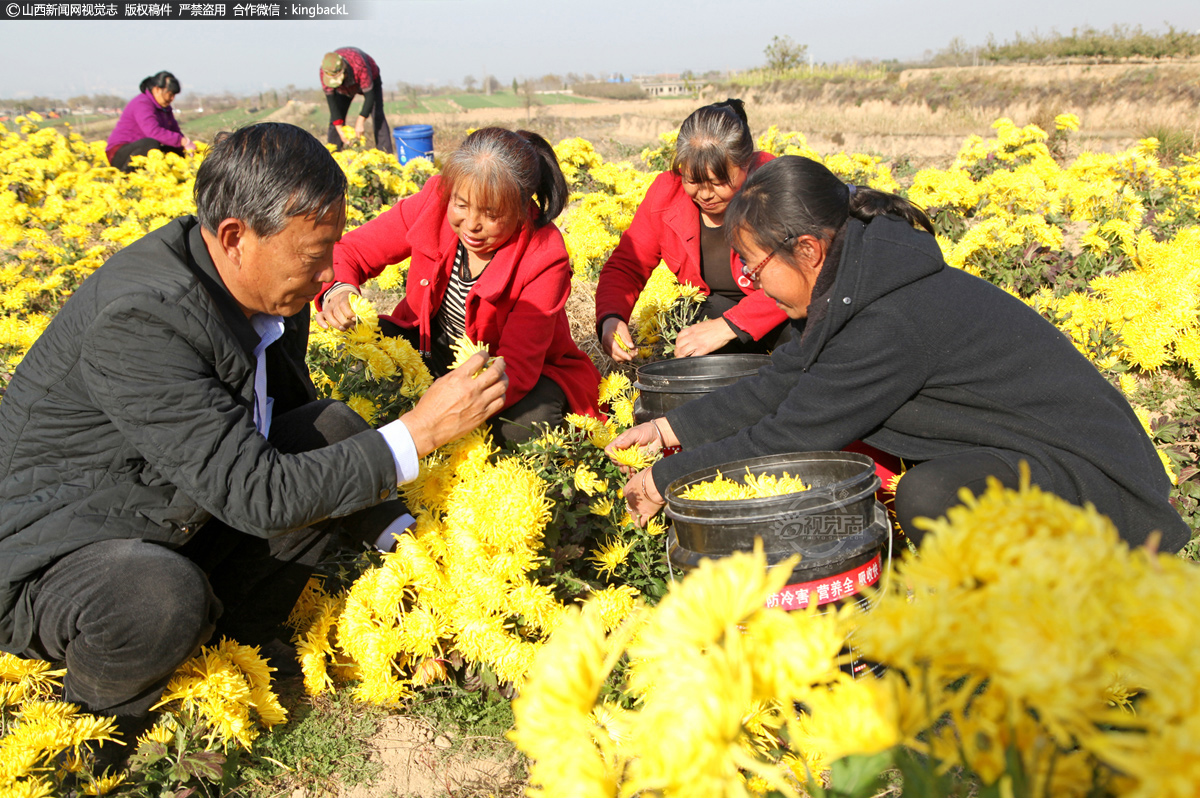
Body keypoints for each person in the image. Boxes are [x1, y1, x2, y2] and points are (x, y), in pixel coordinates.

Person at [0, 123, 506, 736]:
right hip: (55, 557)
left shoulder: (265, 290)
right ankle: (100, 721)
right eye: (314, 255)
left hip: (165, 511)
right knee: (158, 599)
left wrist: (415, 543)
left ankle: (230, 649)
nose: (328, 276)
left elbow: (295, 435)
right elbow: (260, 494)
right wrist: (419, 431)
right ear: (236, 237)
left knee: (334, 430)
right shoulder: (142, 319)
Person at [610, 154, 1190, 553]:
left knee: (933, 497)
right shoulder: (860, 277)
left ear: (808, 250)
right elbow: (787, 376)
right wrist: (670, 428)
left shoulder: (887, 319)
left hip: (1100, 486)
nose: (753, 286)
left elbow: (792, 431)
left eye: (756, 269)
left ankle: (1036, 617)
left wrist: (670, 477)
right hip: (1039, 453)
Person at [315, 126, 603, 446]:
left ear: (522, 209)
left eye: (490, 214)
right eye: (461, 205)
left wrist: (439, 414)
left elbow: (518, 368)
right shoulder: (434, 201)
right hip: (430, 346)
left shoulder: (545, 253)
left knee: (520, 428)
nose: (471, 225)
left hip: (504, 371)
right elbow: (352, 251)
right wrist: (339, 290)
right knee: (360, 364)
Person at [594, 99, 789, 362]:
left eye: (719, 182)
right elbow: (628, 265)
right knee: (684, 324)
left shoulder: (774, 184)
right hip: (716, 314)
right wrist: (611, 317)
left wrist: (729, 326)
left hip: (784, 314)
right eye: (693, 180)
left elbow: (798, 275)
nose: (706, 195)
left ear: (745, 165)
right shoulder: (667, 194)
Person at [105, 71, 195, 172]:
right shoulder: (142, 103)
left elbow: (175, 132)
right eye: (169, 94)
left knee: (175, 150)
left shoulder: (165, 108)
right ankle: (125, 175)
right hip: (121, 153)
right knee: (151, 144)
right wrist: (181, 140)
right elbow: (153, 132)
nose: (172, 98)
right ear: (157, 90)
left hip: (143, 149)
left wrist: (186, 146)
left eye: (174, 95)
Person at [320, 48, 394, 155]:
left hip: (370, 80)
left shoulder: (359, 65)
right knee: (336, 120)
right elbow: (332, 104)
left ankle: (386, 156)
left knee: (378, 115)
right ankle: (332, 157)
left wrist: (360, 121)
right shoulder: (324, 71)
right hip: (343, 89)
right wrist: (340, 131)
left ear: (344, 69)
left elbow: (370, 96)